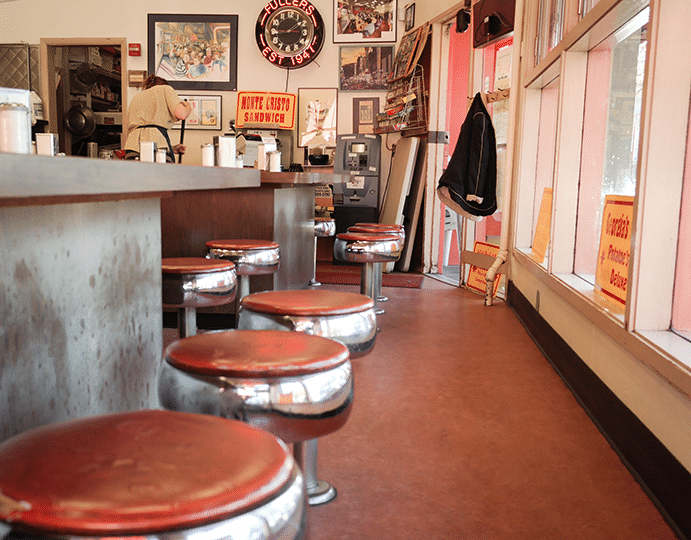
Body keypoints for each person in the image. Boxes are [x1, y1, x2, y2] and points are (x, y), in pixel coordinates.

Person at [124, 74, 191, 162]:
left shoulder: (136, 97)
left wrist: (171, 148)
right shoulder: (165, 89)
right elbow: (181, 114)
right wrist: (187, 106)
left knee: (136, 175)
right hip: (157, 149)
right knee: (161, 175)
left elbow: (144, 133)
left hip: (132, 147)